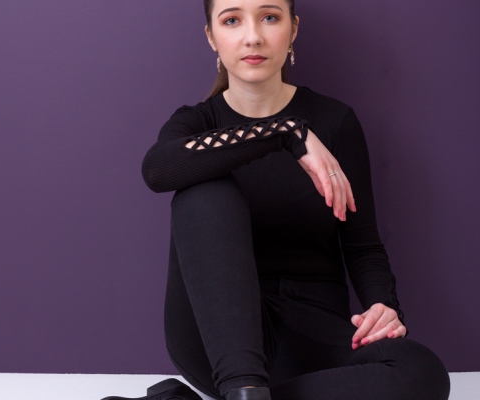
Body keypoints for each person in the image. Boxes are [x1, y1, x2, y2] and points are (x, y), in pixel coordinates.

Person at [107, 1, 451, 399]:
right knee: (205, 189)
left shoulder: (335, 121)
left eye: (269, 17)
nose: (253, 36)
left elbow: (363, 245)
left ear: (293, 29)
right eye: (232, 20)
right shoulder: (197, 122)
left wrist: (383, 306)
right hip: (217, 343)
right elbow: (158, 169)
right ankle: (242, 385)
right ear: (211, 37)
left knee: (422, 371)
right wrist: (285, 133)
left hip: (315, 334)